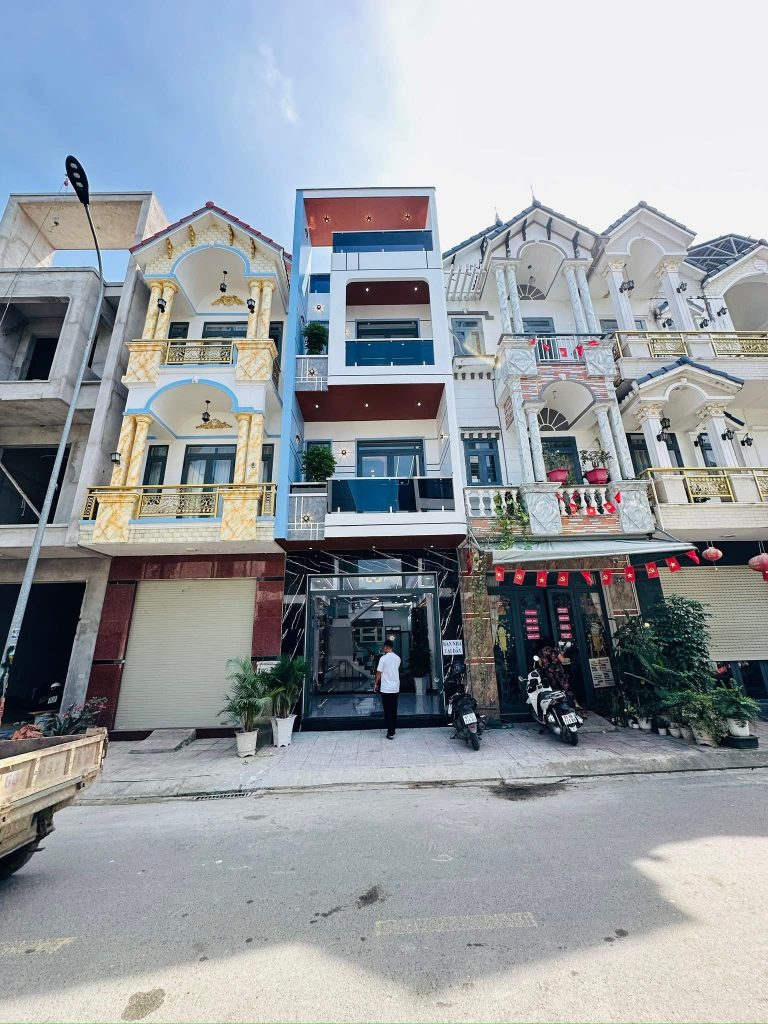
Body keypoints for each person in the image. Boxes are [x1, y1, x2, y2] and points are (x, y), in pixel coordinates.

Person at [375, 640, 401, 739]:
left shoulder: (383, 658)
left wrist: (376, 683)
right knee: (394, 710)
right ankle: (392, 729)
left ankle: (390, 733)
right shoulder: (398, 658)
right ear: (392, 647)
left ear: (386, 647)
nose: (383, 649)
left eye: (384, 647)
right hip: (395, 688)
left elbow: (379, 672)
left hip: (386, 689)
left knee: (387, 711)